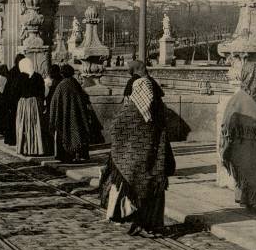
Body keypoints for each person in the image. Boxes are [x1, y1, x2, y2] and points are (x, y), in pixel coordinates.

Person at [99, 60, 175, 236]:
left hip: (148, 156)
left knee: (148, 189)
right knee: (149, 190)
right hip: (149, 157)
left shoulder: (131, 109)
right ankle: (146, 225)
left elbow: (116, 128)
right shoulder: (150, 105)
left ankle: (148, 225)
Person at [219, 60, 256, 208]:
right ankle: (248, 200)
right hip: (242, 143)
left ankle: (250, 200)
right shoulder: (240, 98)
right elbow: (228, 124)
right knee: (247, 173)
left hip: (249, 142)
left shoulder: (250, 97)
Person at [49, 64, 91, 163]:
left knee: (65, 134)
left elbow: (54, 103)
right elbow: (84, 98)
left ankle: (66, 156)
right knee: (77, 133)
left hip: (64, 116)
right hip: (76, 115)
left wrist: (52, 118)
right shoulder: (75, 83)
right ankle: (78, 154)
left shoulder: (61, 85)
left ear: (62, 74)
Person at [15, 57, 47, 156]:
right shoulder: (38, 76)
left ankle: (25, 148)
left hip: (23, 103)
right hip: (35, 103)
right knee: (35, 125)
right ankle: (36, 148)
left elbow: (15, 91)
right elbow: (42, 91)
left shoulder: (20, 77)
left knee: (23, 126)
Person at [2, 53, 26, 146]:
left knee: (12, 119)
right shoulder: (23, 71)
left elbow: (8, 87)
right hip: (19, 98)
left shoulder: (12, 71)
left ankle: (12, 139)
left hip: (12, 99)